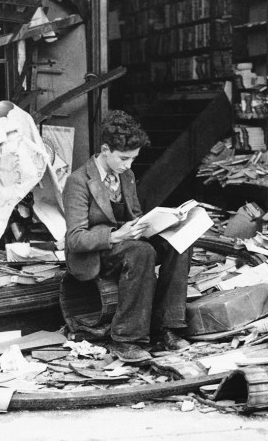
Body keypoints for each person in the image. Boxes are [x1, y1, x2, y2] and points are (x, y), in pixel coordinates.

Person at [63, 110, 191, 363]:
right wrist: (115, 236)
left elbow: (135, 214)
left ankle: (167, 327)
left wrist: (160, 224)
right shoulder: (78, 181)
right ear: (105, 149)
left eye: (133, 159)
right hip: (97, 250)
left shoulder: (126, 175)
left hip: (126, 239)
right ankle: (126, 339)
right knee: (142, 252)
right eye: (124, 158)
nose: (128, 165)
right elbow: (75, 238)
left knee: (180, 243)